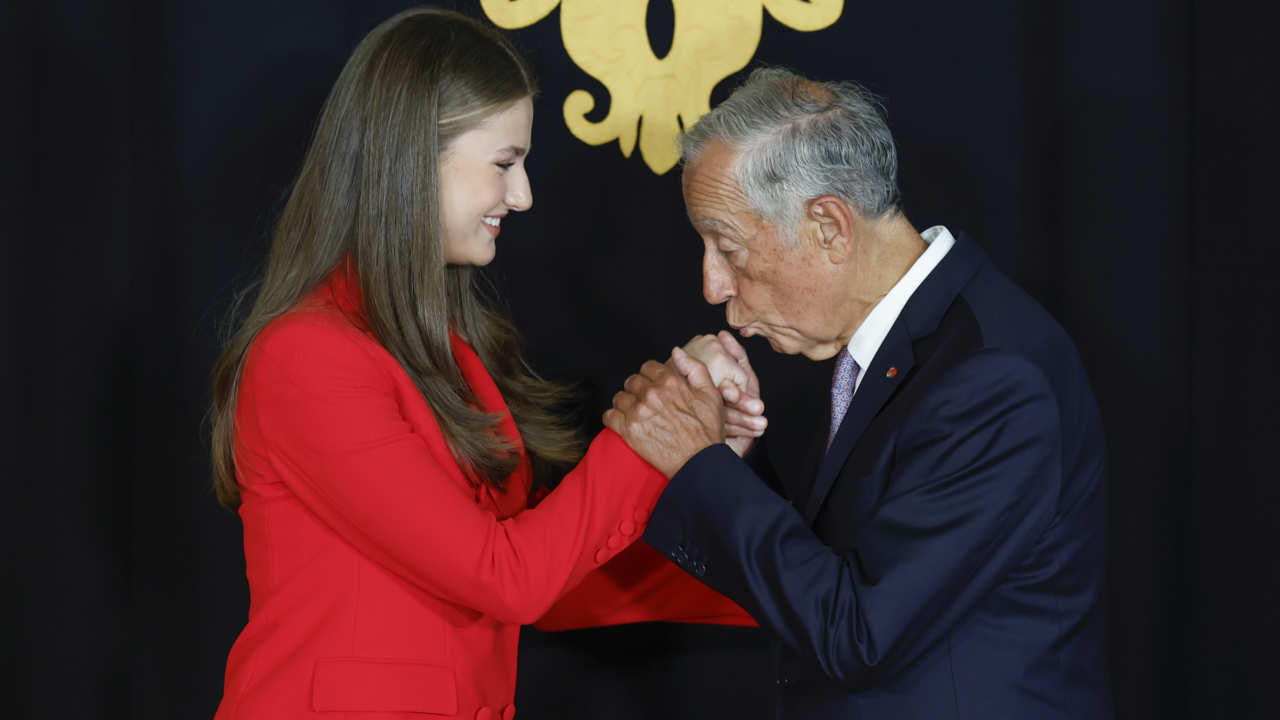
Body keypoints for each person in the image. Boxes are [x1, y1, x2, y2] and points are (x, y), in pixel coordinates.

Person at [208, 8, 756, 719]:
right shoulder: (306, 356)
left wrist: (698, 465)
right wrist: (652, 433)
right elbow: (509, 580)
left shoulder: (448, 351)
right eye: (504, 164)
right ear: (409, 158)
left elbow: (543, 577)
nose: (522, 196)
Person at [604, 67, 1114, 719]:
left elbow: (860, 636)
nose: (712, 285)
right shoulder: (908, 344)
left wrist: (696, 464)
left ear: (829, 227)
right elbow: (842, 575)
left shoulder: (994, 379)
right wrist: (733, 460)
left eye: (727, 247)